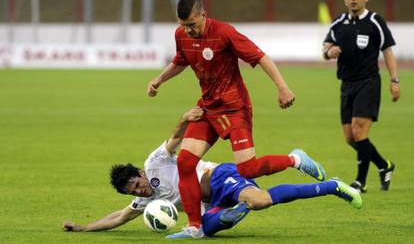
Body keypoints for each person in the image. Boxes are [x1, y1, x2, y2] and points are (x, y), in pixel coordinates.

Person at [146, 0, 313, 238]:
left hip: (235, 109)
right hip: (207, 109)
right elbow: (180, 61)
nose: (188, 30)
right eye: (183, 25)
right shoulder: (181, 35)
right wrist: (159, 79)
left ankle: (294, 159)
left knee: (247, 168)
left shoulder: (224, 32)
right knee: (185, 162)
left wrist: (282, 87)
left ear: (203, 15)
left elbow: (261, 57)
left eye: (192, 24)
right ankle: (195, 226)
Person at [63, 107, 362, 237]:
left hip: (218, 177)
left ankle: (328, 183)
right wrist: (83, 228)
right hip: (214, 200)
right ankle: (232, 213)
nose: (140, 192)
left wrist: (183, 119)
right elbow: (118, 217)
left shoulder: (155, 163)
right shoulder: (145, 204)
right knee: (205, 229)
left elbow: (174, 140)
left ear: (141, 173)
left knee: (262, 201)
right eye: (134, 192)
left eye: (137, 185)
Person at [322, 0, 400, 193]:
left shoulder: (375, 21)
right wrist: (329, 52)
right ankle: (384, 166)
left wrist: (395, 80)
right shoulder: (339, 22)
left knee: (359, 130)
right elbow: (325, 47)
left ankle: (360, 182)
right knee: (350, 137)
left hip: (369, 82)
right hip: (347, 84)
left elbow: (388, 51)